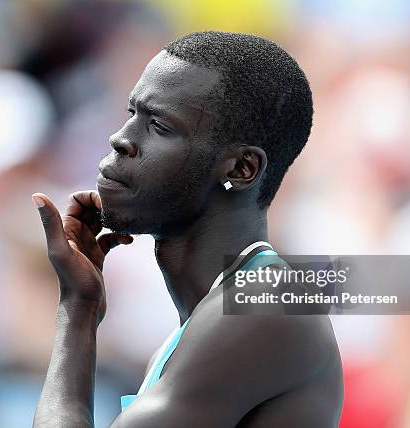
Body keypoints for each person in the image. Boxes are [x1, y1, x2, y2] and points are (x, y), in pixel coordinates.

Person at [31, 31, 343, 427]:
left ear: (241, 168)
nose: (121, 139)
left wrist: (76, 311)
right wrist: (82, 303)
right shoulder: (211, 316)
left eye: (159, 125)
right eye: (132, 115)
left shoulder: (266, 303)